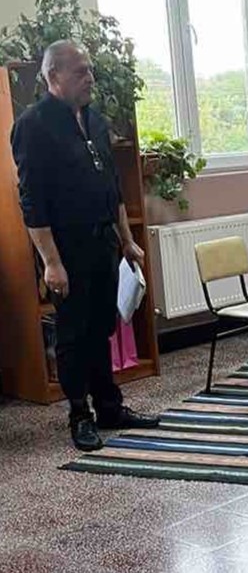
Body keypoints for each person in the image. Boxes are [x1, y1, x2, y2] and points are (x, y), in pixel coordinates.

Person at [11, 40, 159, 452]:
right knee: (74, 335)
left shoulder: (93, 119)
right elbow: (32, 203)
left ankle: (109, 406)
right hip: (66, 249)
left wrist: (126, 240)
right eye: (80, 72)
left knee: (102, 327)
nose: (90, 78)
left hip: (103, 242)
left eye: (90, 69)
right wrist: (51, 263)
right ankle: (80, 415)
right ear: (53, 76)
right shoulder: (33, 125)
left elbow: (112, 187)